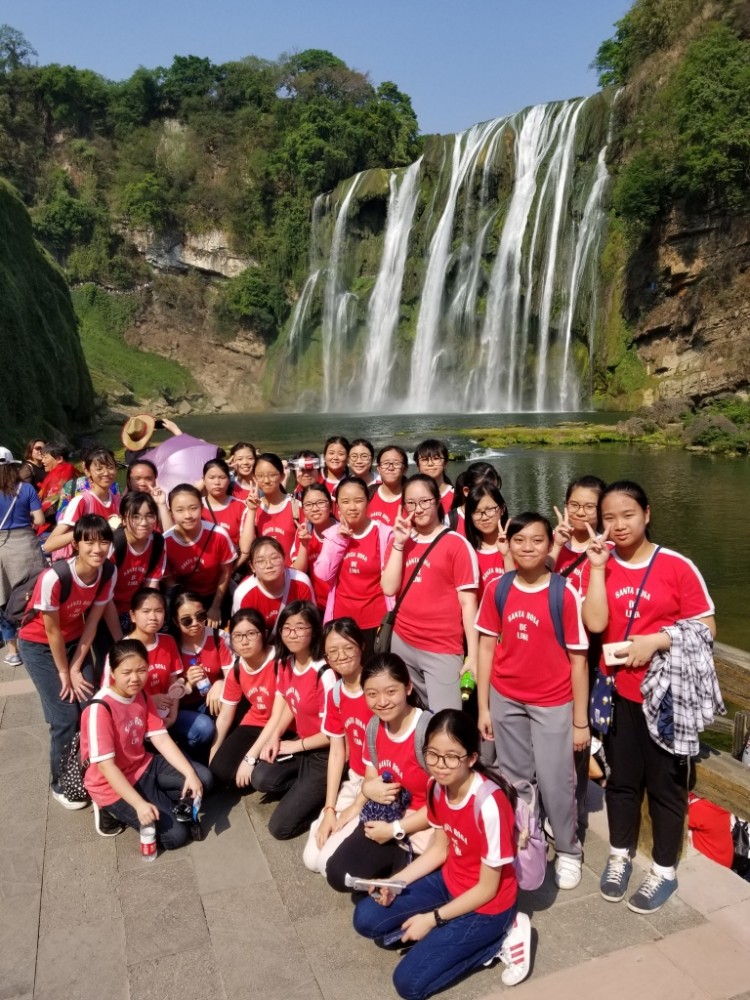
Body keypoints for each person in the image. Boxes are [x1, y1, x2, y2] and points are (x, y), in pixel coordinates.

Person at [583, 480, 715, 913]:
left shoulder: (676, 566)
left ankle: (664, 870)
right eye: (609, 518)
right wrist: (597, 568)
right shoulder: (598, 561)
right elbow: (595, 623)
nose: (619, 525)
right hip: (617, 694)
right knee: (621, 781)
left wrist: (657, 641)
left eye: (628, 515)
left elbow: (706, 628)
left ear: (647, 514)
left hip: (666, 699)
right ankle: (620, 855)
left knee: (665, 786)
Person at [353, 709, 531, 999]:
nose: (440, 765)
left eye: (451, 757)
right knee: (365, 917)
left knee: (408, 984)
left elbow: (487, 889)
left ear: (471, 758)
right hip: (449, 882)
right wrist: (395, 883)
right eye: (432, 755)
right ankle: (447, 929)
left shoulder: (489, 805)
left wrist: (432, 919)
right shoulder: (436, 786)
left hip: (488, 906)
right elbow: (439, 849)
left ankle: (503, 936)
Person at [476, 512, 589, 890]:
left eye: (537, 540)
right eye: (519, 540)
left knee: (557, 779)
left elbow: (578, 661)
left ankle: (569, 849)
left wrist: (580, 721)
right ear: (507, 543)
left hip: (552, 702)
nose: (528, 548)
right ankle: (529, 835)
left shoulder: (563, 592)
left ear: (550, 544)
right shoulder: (498, 588)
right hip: (506, 697)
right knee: (515, 776)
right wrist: (483, 707)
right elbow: (486, 648)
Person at [17, 515, 117, 809]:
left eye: (103, 541)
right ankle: (60, 783)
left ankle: (91, 772)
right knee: (64, 716)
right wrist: (64, 672)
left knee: (90, 707)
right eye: (89, 542)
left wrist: (75, 666)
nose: (97, 549)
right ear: (75, 544)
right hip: (38, 646)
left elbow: (92, 623)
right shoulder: (54, 577)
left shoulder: (107, 572)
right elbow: (51, 632)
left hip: (74, 643)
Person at [81, 638, 213, 848]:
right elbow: (106, 766)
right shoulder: (100, 708)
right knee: (176, 837)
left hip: (143, 764)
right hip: (110, 783)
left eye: (142, 670)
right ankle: (108, 809)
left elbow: (160, 738)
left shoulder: (141, 694)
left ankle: (159, 800)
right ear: (113, 673)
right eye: (126, 672)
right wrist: (139, 804)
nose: (135, 678)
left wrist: (189, 773)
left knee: (202, 780)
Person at [325, 652, 432, 893]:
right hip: (386, 815)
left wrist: (395, 830)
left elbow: (445, 805)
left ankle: (402, 869)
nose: (381, 701)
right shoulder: (374, 726)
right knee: (337, 874)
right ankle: (390, 867)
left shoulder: (428, 733)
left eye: (391, 691)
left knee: (400, 899)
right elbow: (370, 777)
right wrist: (367, 787)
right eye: (372, 694)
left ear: (408, 688)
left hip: (425, 825)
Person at [381, 474, 479, 712]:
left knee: (445, 718)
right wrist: (399, 543)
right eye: (411, 503)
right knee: (409, 713)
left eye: (425, 501)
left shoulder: (457, 544)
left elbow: (468, 603)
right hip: (403, 641)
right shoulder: (400, 541)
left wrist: (473, 655)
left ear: (437, 501)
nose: (418, 508)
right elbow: (389, 588)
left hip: (442, 647)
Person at [250, 601, 334, 840]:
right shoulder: (286, 663)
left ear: (314, 630)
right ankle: (306, 791)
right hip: (301, 745)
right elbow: (289, 701)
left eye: (300, 627)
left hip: (324, 753)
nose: (292, 634)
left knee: (280, 828)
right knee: (260, 778)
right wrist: (275, 736)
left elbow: (332, 734)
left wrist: (295, 746)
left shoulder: (324, 673)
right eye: (286, 628)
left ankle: (326, 793)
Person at [303, 618, 372, 875]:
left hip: (378, 783)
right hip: (355, 779)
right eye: (333, 651)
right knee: (311, 860)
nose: (341, 656)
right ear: (326, 657)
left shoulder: (376, 691)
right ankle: (330, 824)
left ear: (361, 646)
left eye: (348, 647)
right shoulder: (336, 693)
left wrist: (356, 806)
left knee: (326, 866)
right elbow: (336, 752)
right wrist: (330, 808)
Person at [315, 476, 394, 658]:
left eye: (358, 500)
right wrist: (340, 541)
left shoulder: (384, 534)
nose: (352, 507)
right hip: (342, 622)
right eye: (345, 501)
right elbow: (324, 574)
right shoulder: (333, 535)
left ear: (368, 501)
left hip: (376, 620)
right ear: (337, 506)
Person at [209, 609, 278, 788]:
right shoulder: (237, 668)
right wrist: (213, 755)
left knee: (262, 777)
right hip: (255, 722)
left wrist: (249, 758)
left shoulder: (279, 662)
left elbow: (280, 717)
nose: (244, 641)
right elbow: (225, 716)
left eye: (251, 634)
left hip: (281, 726)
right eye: (238, 636)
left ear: (264, 634)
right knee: (219, 772)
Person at [163, 484, 236, 627]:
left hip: (217, 596)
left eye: (193, 508)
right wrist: (187, 608)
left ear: (202, 508)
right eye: (180, 510)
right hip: (185, 599)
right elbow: (169, 580)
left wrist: (215, 607)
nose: (188, 515)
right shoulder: (166, 542)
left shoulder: (218, 535)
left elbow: (226, 572)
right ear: (171, 513)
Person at [0, 448, 46, 665]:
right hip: (26, 545)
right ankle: (36, 641)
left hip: (1, 548)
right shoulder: (26, 488)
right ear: (13, 466)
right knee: (32, 594)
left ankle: (13, 651)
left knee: (5, 600)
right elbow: (39, 520)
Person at [171, 589, 233, 749]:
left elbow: (233, 676)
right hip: (180, 708)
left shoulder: (219, 637)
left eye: (200, 616)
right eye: (187, 620)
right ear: (176, 622)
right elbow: (167, 696)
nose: (195, 623)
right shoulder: (171, 645)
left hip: (212, 701)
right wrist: (188, 684)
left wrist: (220, 682)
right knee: (204, 728)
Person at [43, 446, 121, 557]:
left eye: (110, 467)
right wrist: (89, 531)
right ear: (87, 471)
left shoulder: (118, 501)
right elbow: (49, 545)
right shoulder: (81, 502)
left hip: (108, 563)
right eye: (99, 469)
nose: (106, 473)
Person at [125, 588, 185, 729]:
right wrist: (149, 700)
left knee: (204, 728)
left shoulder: (168, 641)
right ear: (133, 616)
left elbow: (174, 683)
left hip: (165, 715)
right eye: (146, 611)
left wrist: (172, 717)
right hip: (136, 720)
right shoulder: (123, 650)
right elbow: (116, 696)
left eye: (158, 611)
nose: (153, 617)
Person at [110, 492, 167, 634]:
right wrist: (119, 639)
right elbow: (104, 597)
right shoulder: (114, 545)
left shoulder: (158, 543)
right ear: (123, 519)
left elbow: (150, 590)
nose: (144, 523)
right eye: (135, 516)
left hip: (136, 609)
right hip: (107, 609)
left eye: (149, 516)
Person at [232, 537, 313, 629]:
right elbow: (242, 632)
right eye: (261, 561)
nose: (269, 565)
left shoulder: (301, 583)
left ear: (284, 558)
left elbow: (310, 625)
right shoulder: (243, 593)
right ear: (252, 567)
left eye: (274, 558)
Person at [550, 475, 607, 595]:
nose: (580, 513)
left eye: (589, 507)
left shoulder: (607, 549)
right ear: (566, 506)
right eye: (574, 505)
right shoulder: (547, 540)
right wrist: (556, 546)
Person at [244, 452, 299, 563]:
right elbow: (246, 549)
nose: (266, 480)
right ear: (254, 478)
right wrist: (252, 511)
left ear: (282, 476)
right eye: (260, 476)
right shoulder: (251, 508)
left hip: (292, 571)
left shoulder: (295, 506)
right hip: (265, 571)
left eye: (272, 475)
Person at [290, 483, 337, 613]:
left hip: (341, 603)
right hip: (317, 606)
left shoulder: (342, 532)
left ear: (331, 505)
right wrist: (304, 545)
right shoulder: (303, 531)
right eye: (308, 504)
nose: (315, 509)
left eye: (320, 503)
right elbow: (298, 572)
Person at [201, 458, 252, 567]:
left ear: (229, 480)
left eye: (222, 477)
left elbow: (245, 550)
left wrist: (230, 571)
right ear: (203, 480)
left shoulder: (240, 507)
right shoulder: (195, 506)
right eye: (211, 478)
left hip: (234, 566)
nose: (217, 482)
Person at [464, 483, 510, 601]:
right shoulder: (465, 551)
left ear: (502, 509)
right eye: (477, 512)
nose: (484, 517)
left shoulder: (518, 545)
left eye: (490, 510)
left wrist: (507, 555)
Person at [447, 461, 502, 535]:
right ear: (466, 491)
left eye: (494, 491)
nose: (489, 497)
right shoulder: (448, 523)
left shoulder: (500, 515)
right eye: (481, 492)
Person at [36, 442, 78, 535]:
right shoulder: (72, 470)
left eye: (45, 457)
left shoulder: (59, 476)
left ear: (59, 459)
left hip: (55, 527)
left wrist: (35, 516)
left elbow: (51, 507)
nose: (43, 461)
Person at [125, 459, 172, 531]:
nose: (142, 483)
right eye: (137, 479)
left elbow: (170, 534)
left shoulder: (160, 504)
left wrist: (161, 505)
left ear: (155, 480)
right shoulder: (121, 503)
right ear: (129, 480)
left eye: (148, 479)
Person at [368, 445, 408, 528]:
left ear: (405, 469)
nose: (390, 468)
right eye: (386, 463)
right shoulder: (367, 494)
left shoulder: (413, 497)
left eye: (396, 463)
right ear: (378, 469)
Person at [414, 439, 453, 517]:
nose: (430, 464)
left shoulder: (457, 496)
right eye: (424, 459)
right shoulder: (410, 496)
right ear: (418, 465)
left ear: (445, 463)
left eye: (436, 458)